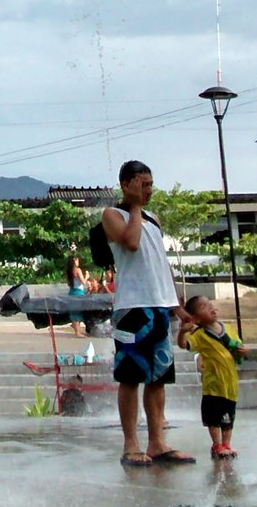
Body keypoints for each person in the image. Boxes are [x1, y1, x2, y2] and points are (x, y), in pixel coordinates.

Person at [101, 160, 193, 467]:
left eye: (150, 184)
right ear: (126, 185)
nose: (148, 190)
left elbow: (159, 265)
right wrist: (136, 206)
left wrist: (176, 306)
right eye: (142, 184)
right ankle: (131, 444)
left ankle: (157, 442)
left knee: (158, 377)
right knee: (130, 377)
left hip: (158, 307)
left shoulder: (153, 218)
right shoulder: (113, 215)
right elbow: (130, 242)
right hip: (131, 308)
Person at [178, 294, 245, 458]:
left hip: (230, 384)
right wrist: (182, 332)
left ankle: (226, 444)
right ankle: (216, 445)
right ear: (195, 318)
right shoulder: (199, 334)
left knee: (228, 418)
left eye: (210, 304)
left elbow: (237, 345)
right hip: (213, 385)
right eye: (204, 307)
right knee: (214, 417)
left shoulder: (228, 328)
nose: (210, 307)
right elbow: (184, 344)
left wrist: (242, 350)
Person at [65, 254, 90, 337]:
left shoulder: (69, 271)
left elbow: (69, 284)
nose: (78, 261)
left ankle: (77, 331)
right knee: (78, 312)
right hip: (78, 292)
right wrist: (87, 276)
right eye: (77, 260)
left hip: (72, 292)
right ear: (74, 261)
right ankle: (77, 332)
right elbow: (83, 282)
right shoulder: (78, 270)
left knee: (74, 312)